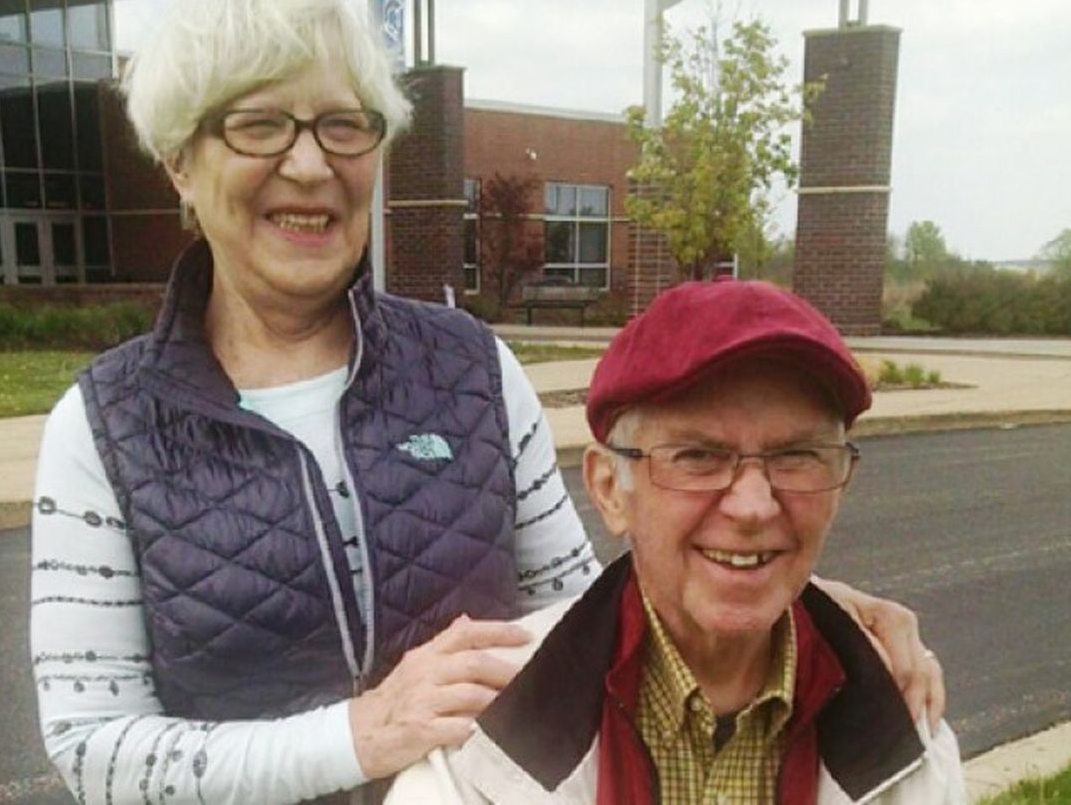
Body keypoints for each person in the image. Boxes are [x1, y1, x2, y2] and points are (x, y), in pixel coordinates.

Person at [30, 0, 944, 805]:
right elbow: (93, 750)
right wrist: (361, 734)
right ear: (179, 161)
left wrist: (792, 606)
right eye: (258, 125)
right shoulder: (111, 426)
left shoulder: (468, 368)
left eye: (344, 125)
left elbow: (591, 615)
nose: (309, 165)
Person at [387, 279, 966, 804]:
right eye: (698, 456)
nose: (753, 506)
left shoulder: (905, 724)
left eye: (797, 456)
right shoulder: (479, 747)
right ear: (609, 489)